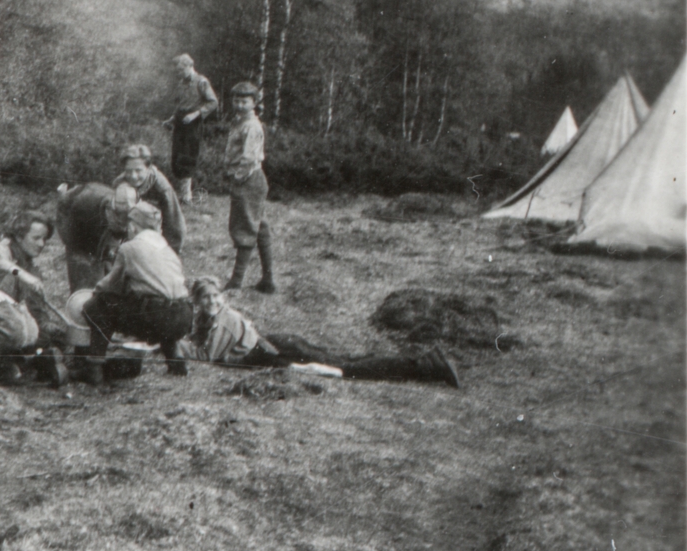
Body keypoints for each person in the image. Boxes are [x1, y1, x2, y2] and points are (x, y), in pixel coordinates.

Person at [180, 278, 460, 386]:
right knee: (343, 360)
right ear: (198, 303)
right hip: (278, 346)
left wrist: (171, 346)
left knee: (345, 369)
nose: (213, 302)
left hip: (279, 353)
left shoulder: (223, 319)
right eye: (206, 299)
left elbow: (207, 354)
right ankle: (423, 361)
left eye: (216, 296)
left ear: (222, 296)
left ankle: (424, 366)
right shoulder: (210, 319)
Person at [79, 201, 194, 383]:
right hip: (184, 316)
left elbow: (109, 285)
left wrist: (92, 293)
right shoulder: (167, 249)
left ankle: (94, 368)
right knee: (161, 306)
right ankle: (175, 357)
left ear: (133, 226)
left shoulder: (129, 248)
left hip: (157, 317)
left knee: (97, 306)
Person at [0, 211, 73, 384]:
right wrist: (20, 273)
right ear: (18, 236)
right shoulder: (2, 250)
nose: (41, 244)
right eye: (36, 237)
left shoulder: (29, 266)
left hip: (1, 324)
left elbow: (37, 312)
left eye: (44, 239)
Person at [224, 81, 274, 293]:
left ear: (254, 103)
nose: (239, 104)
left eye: (245, 101)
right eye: (236, 100)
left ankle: (235, 283)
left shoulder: (252, 126)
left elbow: (249, 158)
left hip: (248, 179)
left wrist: (237, 177)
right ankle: (268, 280)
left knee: (244, 228)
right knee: (259, 227)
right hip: (246, 179)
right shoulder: (239, 122)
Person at [55, 182, 138, 292]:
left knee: (109, 262)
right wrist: (90, 257)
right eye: (118, 219)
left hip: (96, 216)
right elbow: (72, 240)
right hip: (69, 213)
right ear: (109, 210)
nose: (122, 222)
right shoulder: (85, 205)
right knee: (83, 264)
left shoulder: (129, 207)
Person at [113, 143, 185, 254]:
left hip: (156, 236)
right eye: (128, 171)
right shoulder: (120, 183)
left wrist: (172, 251)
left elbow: (174, 222)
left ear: (148, 168)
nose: (133, 176)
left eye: (138, 170)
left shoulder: (161, 187)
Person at [166, 54, 219, 204]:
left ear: (190, 66)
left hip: (193, 123)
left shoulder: (201, 82)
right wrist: (172, 118)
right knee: (177, 156)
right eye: (177, 71)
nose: (180, 73)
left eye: (182, 70)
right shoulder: (181, 83)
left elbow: (213, 102)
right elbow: (180, 104)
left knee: (188, 156)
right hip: (180, 122)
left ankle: (186, 196)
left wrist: (196, 114)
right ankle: (181, 193)